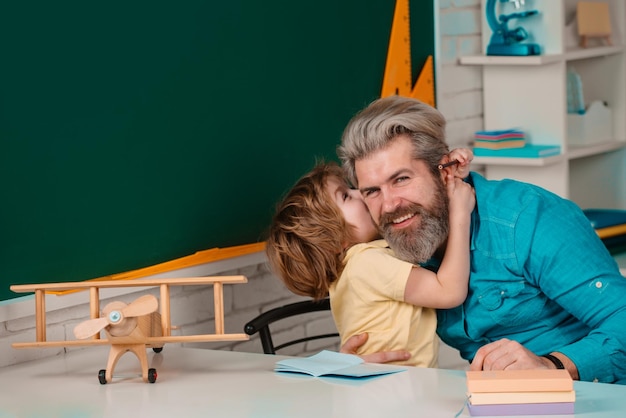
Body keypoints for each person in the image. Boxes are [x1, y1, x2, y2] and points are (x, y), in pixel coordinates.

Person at [337, 95, 626, 384]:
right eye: (372, 191)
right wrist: (356, 361)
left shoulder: (527, 219)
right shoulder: (391, 248)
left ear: (445, 171)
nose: (389, 205)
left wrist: (551, 367)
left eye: (401, 179)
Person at [265, 153, 475, 366]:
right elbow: (449, 291)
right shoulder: (365, 263)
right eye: (346, 196)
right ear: (334, 240)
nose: (360, 193)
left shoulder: (351, 271)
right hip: (398, 389)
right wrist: (460, 214)